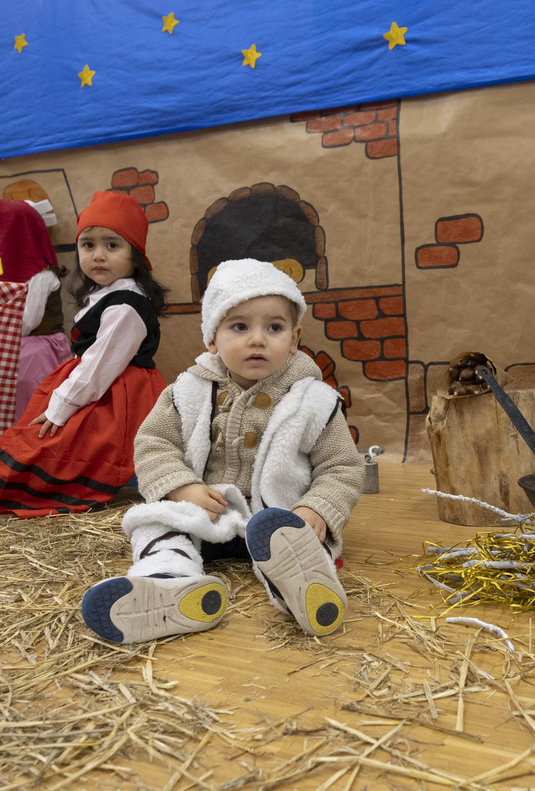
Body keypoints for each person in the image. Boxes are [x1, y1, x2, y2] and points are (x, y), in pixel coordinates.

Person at [80, 258, 363, 643]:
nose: (258, 339)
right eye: (240, 327)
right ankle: (169, 582)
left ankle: (302, 587)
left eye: (274, 327)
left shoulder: (314, 400)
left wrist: (317, 509)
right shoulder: (188, 391)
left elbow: (342, 467)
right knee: (156, 521)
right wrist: (181, 488)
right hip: (208, 515)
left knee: (299, 541)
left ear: (295, 339)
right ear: (212, 338)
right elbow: (153, 443)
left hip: (276, 520)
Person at [0, 191, 168, 518]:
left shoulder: (126, 305)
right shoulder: (107, 294)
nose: (98, 255)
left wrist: (61, 406)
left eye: (112, 245)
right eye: (88, 245)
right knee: (30, 434)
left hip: (114, 401)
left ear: (135, 254)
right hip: (94, 389)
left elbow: (99, 368)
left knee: (49, 444)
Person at [0, 199, 73, 418]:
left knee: (27, 387)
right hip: (9, 345)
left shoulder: (41, 277)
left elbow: (26, 323)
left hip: (39, 350)